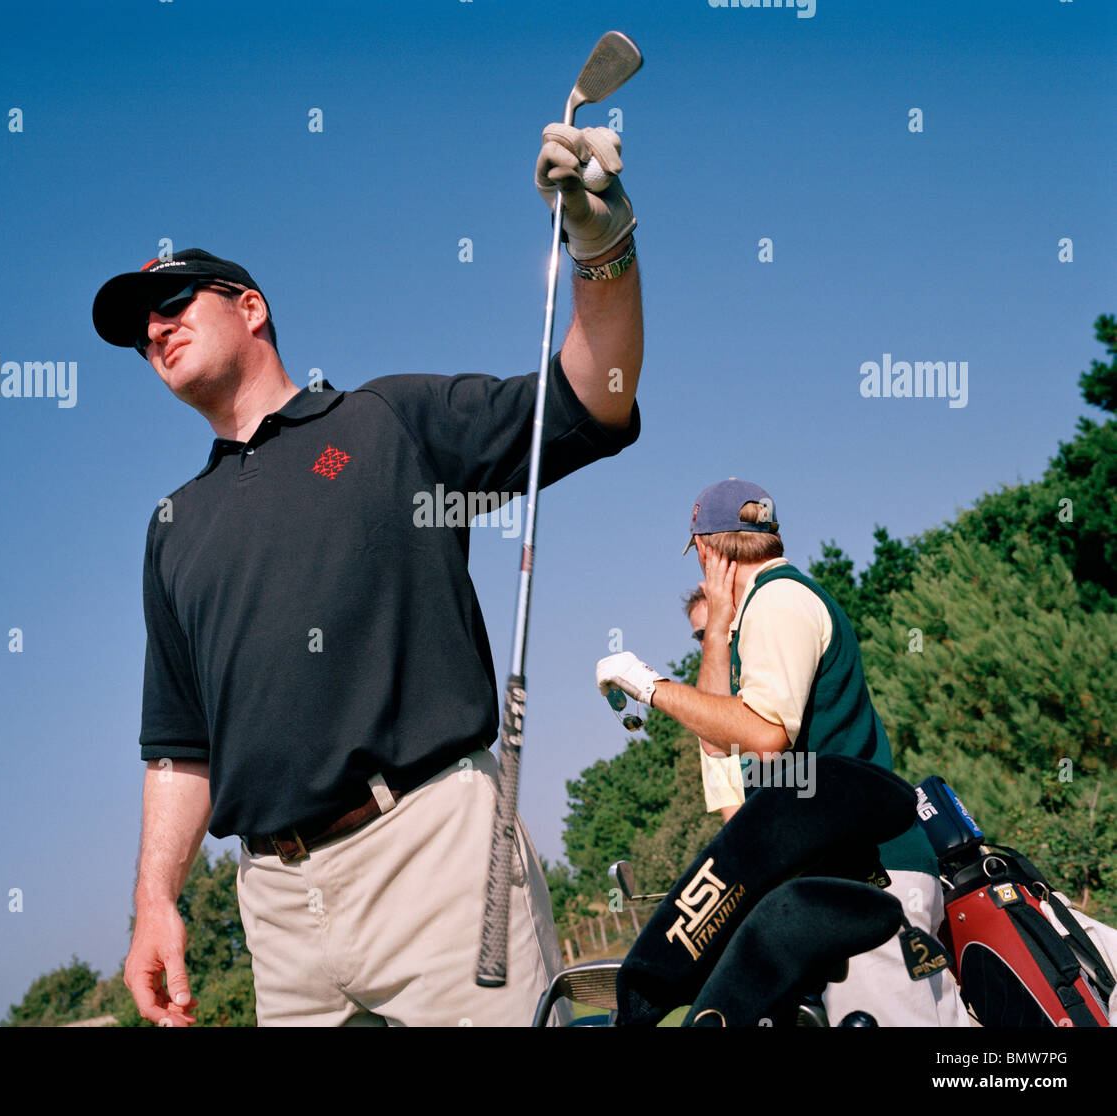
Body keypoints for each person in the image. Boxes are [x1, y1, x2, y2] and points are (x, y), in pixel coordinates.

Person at [91, 122, 643, 1026]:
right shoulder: (173, 528)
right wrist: (155, 901)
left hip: (432, 854)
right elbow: (179, 748)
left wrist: (599, 241)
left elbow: (595, 394)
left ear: (251, 306)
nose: (153, 330)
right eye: (138, 328)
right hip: (274, 907)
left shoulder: (388, 420)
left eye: (173, 300)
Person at [597, 479, 971, 1026]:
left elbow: (765, 732)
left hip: (864, 875)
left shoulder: (778, 599)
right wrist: (718, 627)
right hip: (839, 881)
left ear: (705, 549)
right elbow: (719, 737)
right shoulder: (758, 611)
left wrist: (649, 685)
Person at [684, 588, 744, 824]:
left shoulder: (767, 675)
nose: (710, 638)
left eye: (718, 624)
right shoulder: (706, 713)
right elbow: (732, 809)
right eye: (701, 634)